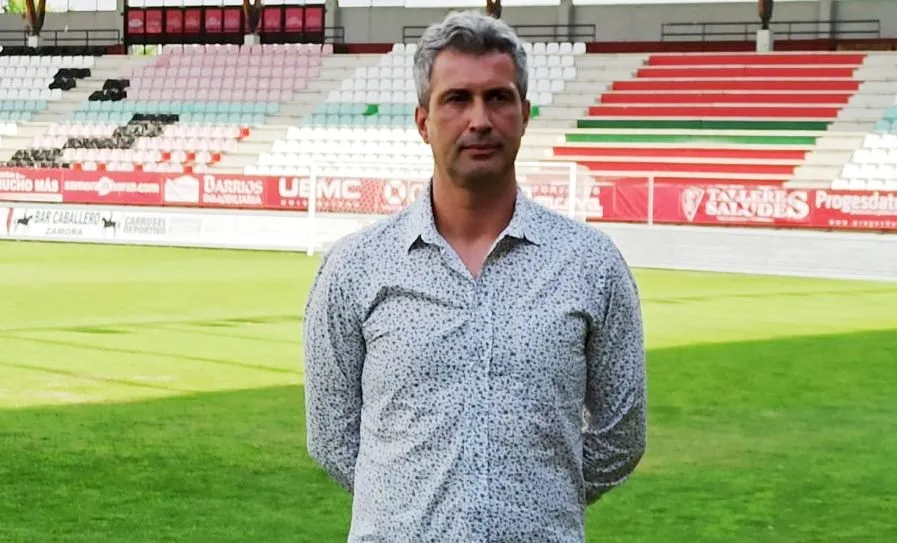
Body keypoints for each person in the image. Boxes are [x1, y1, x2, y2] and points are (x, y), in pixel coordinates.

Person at [303, 10, 647, 542]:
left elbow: (620, 436)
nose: (480, 119)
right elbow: (332, 434)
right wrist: (405, 502)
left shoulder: (590, 265)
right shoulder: (356, 267)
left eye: (498, 97)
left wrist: (536, 495)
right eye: (457, 99)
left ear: (525, 114)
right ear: (423, 121)